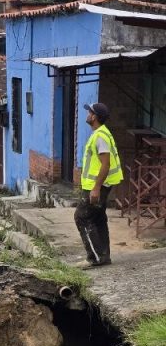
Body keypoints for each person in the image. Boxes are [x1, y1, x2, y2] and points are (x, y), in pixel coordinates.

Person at [74, 101, 123, 269]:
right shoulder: (101, 133)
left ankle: (95, 257)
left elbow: (105, 164)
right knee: (99, 219)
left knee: (82, 217)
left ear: (94, 117)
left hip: (97, 186)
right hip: (99, 184)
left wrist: (95, 188)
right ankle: (103, 256)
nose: (87, 114)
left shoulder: (100, 136)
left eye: (89, 112)